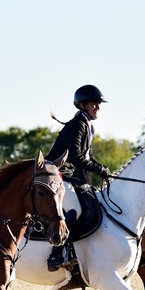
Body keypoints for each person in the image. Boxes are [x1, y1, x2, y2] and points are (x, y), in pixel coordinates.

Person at [44, 84, 111, 271]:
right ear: (82, 105)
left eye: (99, 104)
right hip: (57, 175)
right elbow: (76, 157)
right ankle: (55, 255)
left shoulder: (87, 125)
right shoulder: (78, 125)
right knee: (76, 209)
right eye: (94, 104)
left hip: (69, 177)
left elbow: (86, 158)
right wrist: (99, 169)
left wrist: (101, 170)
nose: (98, 107)